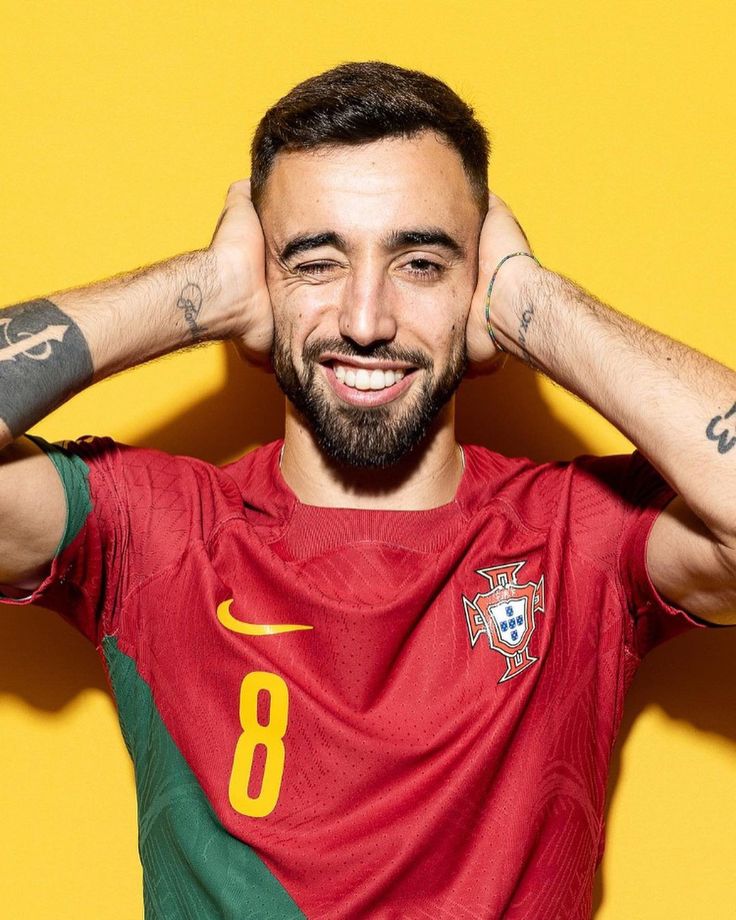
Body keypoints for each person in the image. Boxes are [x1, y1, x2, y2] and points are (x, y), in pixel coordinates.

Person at [0, 60, 734, 920]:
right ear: (262, 285)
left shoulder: (581, 539)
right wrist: (200, 290)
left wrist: (530, 299)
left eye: (421, 262)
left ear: (475, 291)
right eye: (314, 262)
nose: (364, 319)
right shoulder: (153, 532)